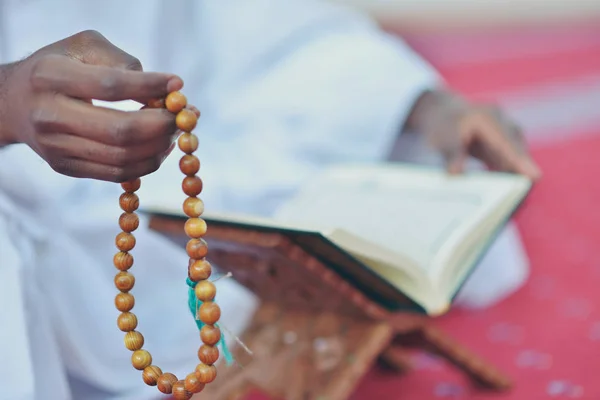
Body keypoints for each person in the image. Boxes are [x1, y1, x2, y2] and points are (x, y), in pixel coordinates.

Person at [0, 1, 541, 399]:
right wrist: (8, 104)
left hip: (189, 165)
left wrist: (426, 105)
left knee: (374, 145)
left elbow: (281, 30)